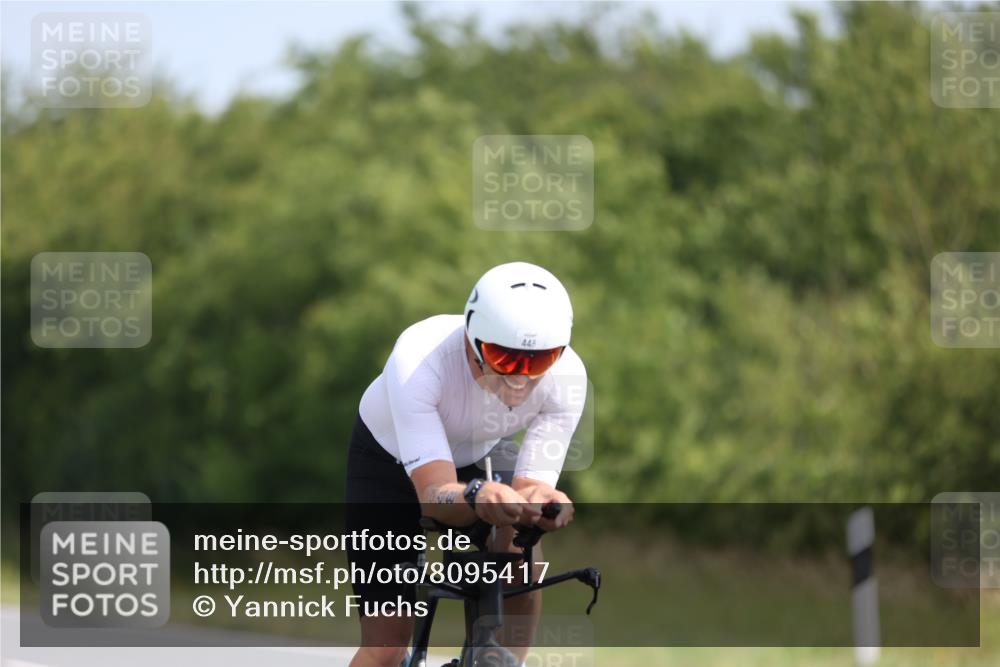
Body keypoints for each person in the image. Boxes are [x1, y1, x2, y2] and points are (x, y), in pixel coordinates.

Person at [345, 261, 587, 667]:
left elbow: (532, 486)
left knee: (522, 546)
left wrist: (548, 502)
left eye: (538, 362)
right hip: (386, 467)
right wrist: (477, 494)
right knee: (385, 648)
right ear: (471, 340)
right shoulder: (420, 360)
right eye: (504, 359)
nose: (520, 381)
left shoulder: (568, 377)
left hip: (477, 457)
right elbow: (434, 496)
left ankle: (505, 660)